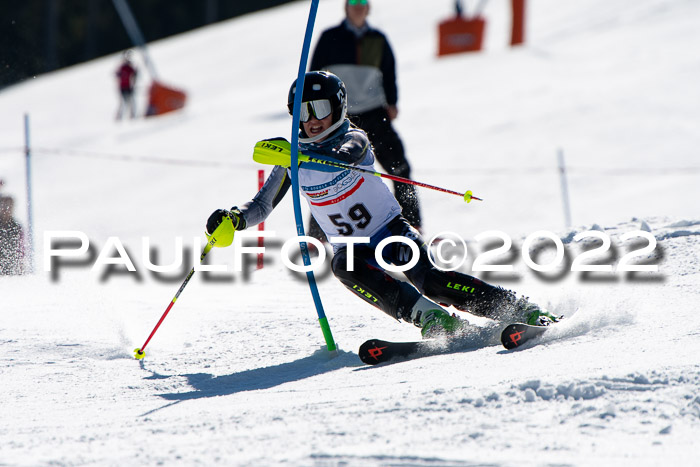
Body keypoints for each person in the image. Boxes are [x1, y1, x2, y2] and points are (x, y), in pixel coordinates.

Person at [206, 72, 558, 338]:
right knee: (343, 266)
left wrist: (297, 156)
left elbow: (343, 156)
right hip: (352, 248)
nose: (312, 119)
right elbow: (262, 205)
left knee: (431, 279)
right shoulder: (292, 159)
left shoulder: (351, 138)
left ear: (339, 107)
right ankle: (430, 318)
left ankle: (516, 308)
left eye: (321, 109)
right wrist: (235, 219)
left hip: (389, 231)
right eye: (302, 111)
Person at [305, 0, 422, 241]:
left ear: (368, 8)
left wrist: (392, 101)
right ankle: (317, 237)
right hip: (339, 117)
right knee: (324, 173)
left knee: (399, 167)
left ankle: (413, 227)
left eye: (362, 2)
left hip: (374, 113)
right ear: (346, 7)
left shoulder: (377, 39)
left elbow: (388, 71)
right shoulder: (330, 37)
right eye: (353, 2)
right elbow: (313, 76)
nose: (358, 6)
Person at [0, 195, 25, 275]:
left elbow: (21, 248)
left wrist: (21, 266)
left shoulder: (16, 227)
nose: (6, 209)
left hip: (11, 267)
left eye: (8, 206)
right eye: (3, 206)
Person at [115, 50, 138, 120]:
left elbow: (134, 74)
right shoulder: (123, 68)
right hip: (124, 87)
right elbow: (117, 75)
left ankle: (132, 115)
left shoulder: (128, 68)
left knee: (130, 102)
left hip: (128, 87)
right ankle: (120, 116)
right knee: (124, 102)